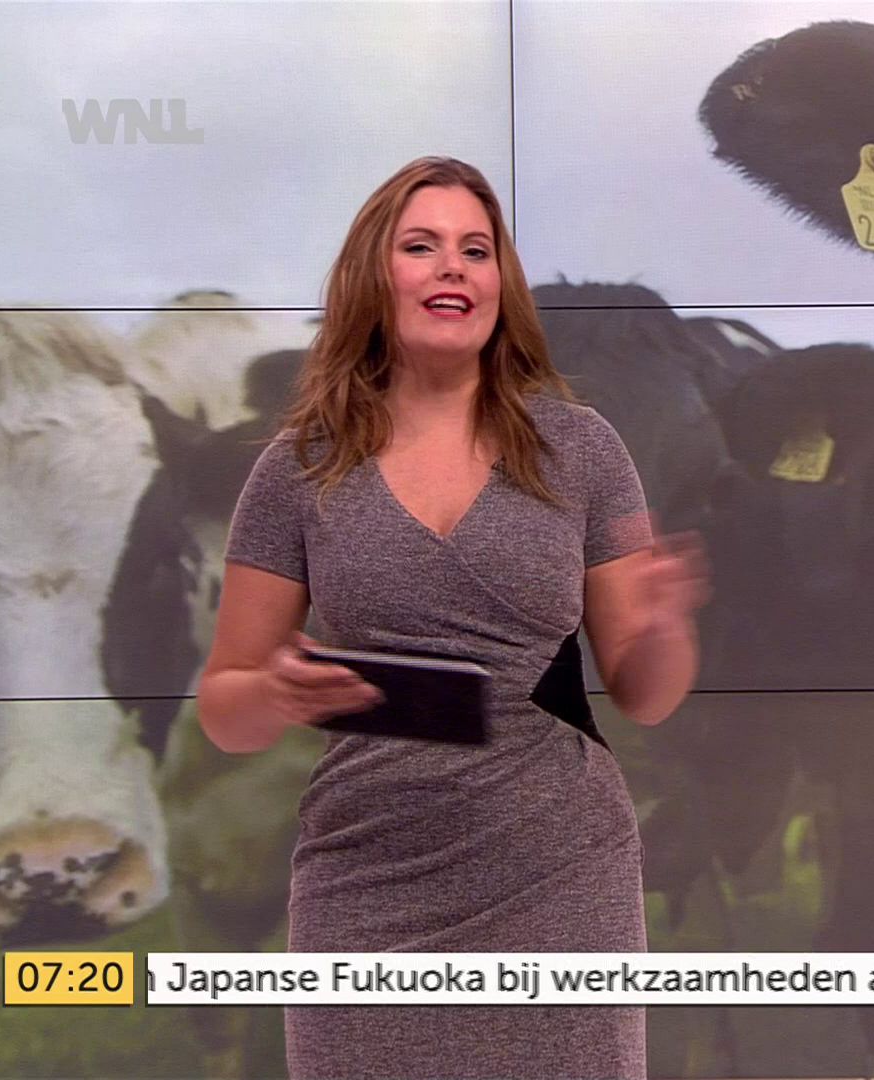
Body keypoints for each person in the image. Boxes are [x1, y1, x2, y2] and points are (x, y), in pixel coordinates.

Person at [195, 155, 707, 1079]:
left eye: (476, 250)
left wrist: (666, 627)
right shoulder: (297, 467)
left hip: (561, 872)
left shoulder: (584, 449)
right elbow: (226, 709)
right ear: (372, 275)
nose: (453, 268)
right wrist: (273, 691)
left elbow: (647, 693)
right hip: (365, 876)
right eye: (422, 246)